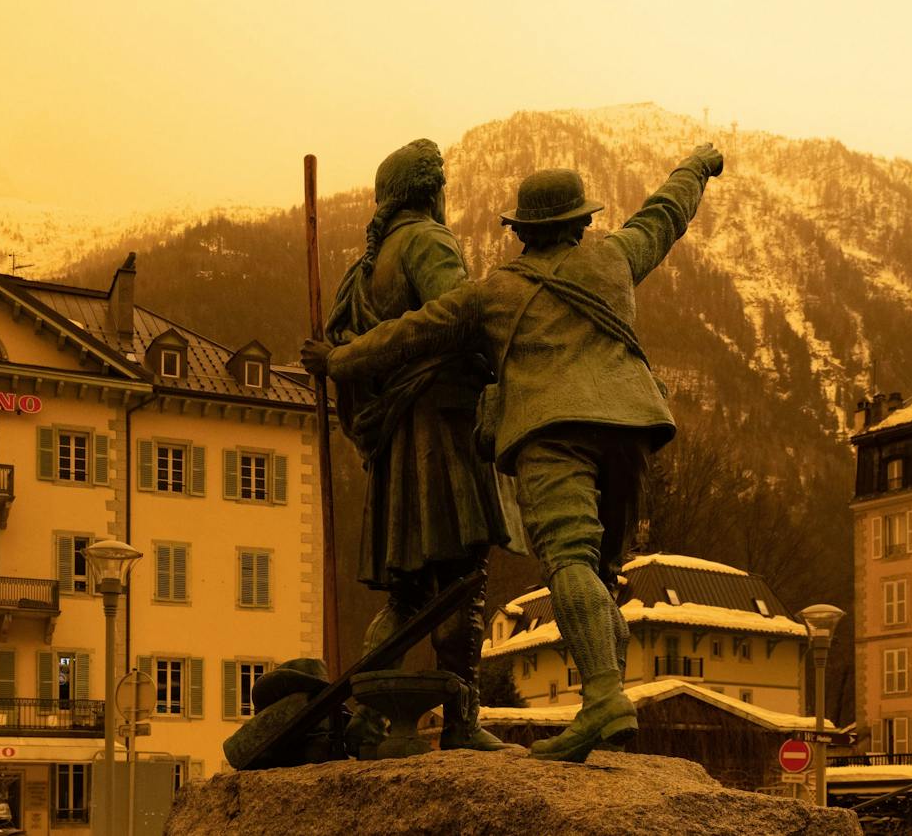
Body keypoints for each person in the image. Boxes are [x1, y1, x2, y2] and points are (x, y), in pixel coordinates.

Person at [304, 145, 724, 762]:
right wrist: (697, 166)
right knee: (600, 574)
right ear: (582, 222)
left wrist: (336, 360)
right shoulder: (614, 258)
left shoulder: (492, 292)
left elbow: (410, 332)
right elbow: (664, 213)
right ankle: (604, 697)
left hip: (551, 431)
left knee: (569, 561)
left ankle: (604, 700)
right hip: (634, 429)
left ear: (522, 230)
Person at [323, 138, 525, 752]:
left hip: (396, 440)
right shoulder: (428, 242)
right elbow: (458, 316)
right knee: (464, 578)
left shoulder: (365, 269)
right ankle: (463, 722)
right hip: (441, 428)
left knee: (408, 591)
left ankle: (367, 714)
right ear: (429, 190)